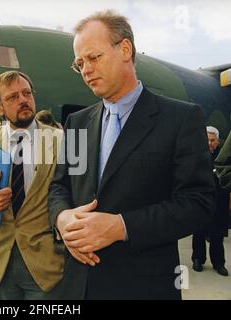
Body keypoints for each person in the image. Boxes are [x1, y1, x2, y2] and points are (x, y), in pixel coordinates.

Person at [48, 10, 215, 300]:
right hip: (79, 284)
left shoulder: (180, 119)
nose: (86, 69)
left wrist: (121, 226)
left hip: (144, 286)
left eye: (93, 57)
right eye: (79, 63)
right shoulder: (76, 123)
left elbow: (198, 203)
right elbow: (60, 186)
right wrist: (62, 218)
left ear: (125, 50)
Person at [0, 71, 82, 300]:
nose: (23, 100)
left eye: (27, 93)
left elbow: (79, 195)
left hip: (48, 265)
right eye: (13, 97)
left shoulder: (64, 139)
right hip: (1, 264)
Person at [191, 126, 229, 276]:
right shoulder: (196, 155)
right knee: (199, 231)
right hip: (200, 200)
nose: (209, 143)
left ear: (218, 142)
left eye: (212, 140)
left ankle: (219, 263)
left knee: (217, 234)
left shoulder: (224, 157)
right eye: (207, 140)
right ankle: (198, 259)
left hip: (219, 200)